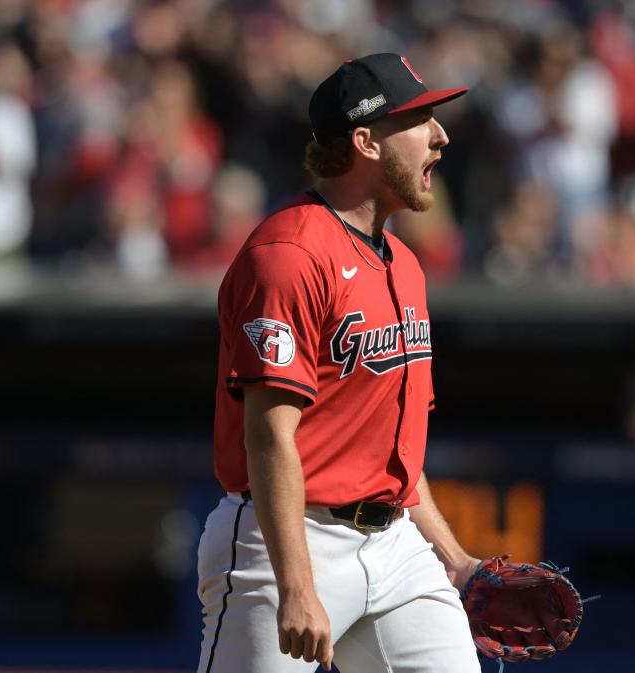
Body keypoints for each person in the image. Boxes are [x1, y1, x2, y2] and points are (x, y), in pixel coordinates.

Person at [196, 53, 482, 673]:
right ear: (365, 142)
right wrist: (297, 586)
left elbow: (392, 452)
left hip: (396, 545)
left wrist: (453, 558)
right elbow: (269, 435)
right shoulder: (288, 255)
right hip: (285, 540)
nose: (441, 134)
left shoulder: (403, 263)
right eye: (419, 119)